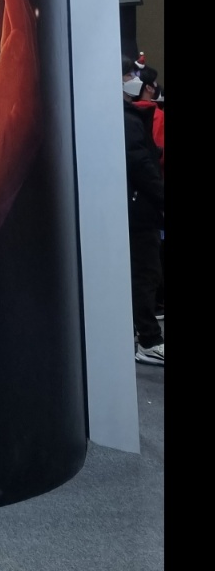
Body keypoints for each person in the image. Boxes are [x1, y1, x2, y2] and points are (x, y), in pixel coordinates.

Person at [122, 58, 164, 365]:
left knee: (142, 272)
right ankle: (148, 339)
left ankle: (141, 333)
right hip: (140, 208)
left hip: (136, 206)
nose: (134, 80)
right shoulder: (128, 119)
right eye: (129, 74)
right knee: (145, 272)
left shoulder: (129, 115)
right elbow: (141, 164)